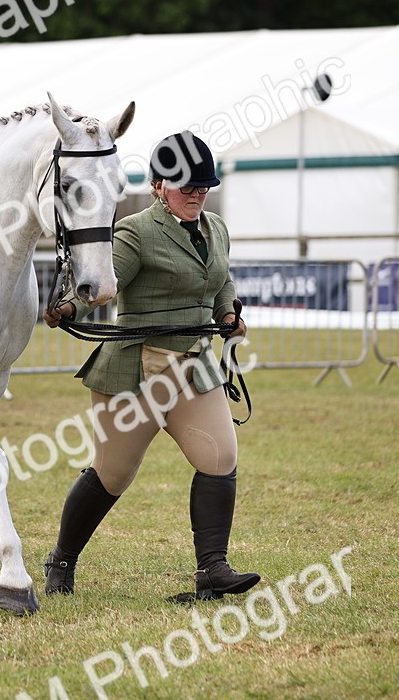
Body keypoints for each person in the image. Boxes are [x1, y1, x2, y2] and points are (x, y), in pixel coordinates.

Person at [41, 130, 259, 602]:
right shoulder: (137, 230)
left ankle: (213, 570)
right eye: (187, 188)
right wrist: (71, 308)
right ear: (160, 185)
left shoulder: (215, 228)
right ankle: (61, 559)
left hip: (193, 366)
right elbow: (105, 283)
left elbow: (221, 279)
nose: (197, 196)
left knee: (220, 458)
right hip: (136, 372)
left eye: (203, 188)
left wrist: (227, 315)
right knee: (112, 474)